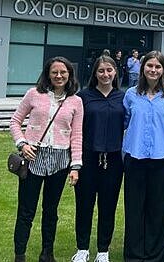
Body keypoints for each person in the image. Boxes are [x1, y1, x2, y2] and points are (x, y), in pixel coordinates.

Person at [9, 56, 83, 262]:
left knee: (50, 211)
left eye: (63, 72)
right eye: (54, 72)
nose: (59, 76)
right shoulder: (34, 94)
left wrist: (75, 165)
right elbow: (15, 122)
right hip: (33, 159)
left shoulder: (76, 101)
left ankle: (47, 253)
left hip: (59, 161)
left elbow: (77, 135)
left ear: (69, 75)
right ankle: (20, 254)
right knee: (26, 211)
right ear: (48, 75)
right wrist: (22, 143)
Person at [122, 50, 164, 262]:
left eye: (158, 66)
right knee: (134, 209)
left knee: (158, 209)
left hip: (162, 157)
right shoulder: (130, 95)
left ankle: (155, 255)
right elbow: (126, 121)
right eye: (149, 66)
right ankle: (134, 255)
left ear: (163, 70)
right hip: (135, 157)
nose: (153, 70)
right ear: (142, 68)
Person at [71, 56, 125, 262]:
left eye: (109, 70)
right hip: (88, 159)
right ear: (94, 73)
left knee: (108, 205)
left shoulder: (122, 97)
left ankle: (103, 250)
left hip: (113, 161)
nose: (105, 74)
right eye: (101, 71)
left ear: (115, 72)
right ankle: (82, 248)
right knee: (84, 205)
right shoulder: (83, 97)